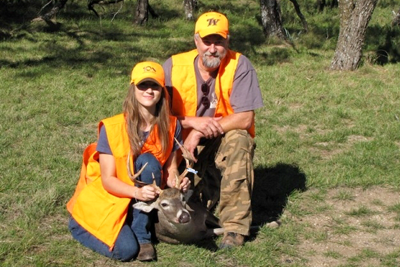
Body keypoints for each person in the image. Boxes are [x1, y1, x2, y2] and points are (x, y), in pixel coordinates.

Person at [66, 61, 190, 262]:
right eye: (143, 85)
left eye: (154, 86)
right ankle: (79, 225)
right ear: (133, 88)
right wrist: (137, 192)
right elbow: (107, 180)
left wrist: (177, 182)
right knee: (125, 251)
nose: (148, 91)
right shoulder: (113, 127)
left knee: (149, 160)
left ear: (162, 91)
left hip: (138, 200)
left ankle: (142, 236)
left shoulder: (171, 125)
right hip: (108, 199)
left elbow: (172, 167)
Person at [163, 11, 264, 249]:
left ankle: (234, 228)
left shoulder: (240, 65)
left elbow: (245, 117)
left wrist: (202, 131)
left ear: (227, 41)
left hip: (220, 141)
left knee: (240, 140)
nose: (212, 48)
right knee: (181, 200)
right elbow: (158, 118)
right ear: (196, 40)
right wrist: (192, 125)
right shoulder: (174, 66)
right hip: (180, 144)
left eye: (218, 41)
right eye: (207, 41)